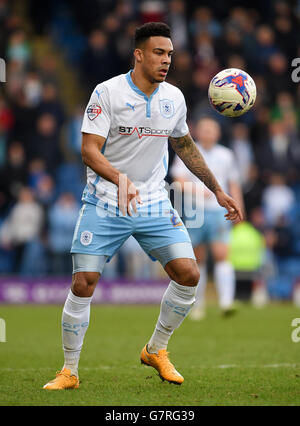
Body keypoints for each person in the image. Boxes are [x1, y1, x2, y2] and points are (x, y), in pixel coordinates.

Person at [43, 22, 242, 390]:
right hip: (105, 200)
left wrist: (216, 188)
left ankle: (156, 349)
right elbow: (88, 150)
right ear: (138, 54)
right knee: (84, 282)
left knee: (189, 274)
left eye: (169, 54)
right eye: (158, 53)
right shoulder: (108, 92)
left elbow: (184, 146)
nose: (166, 60)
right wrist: (119, 179)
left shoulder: (175, 98)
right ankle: (69, 371)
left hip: (152, 201)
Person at [171, 116, 244, 319]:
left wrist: (239, 207)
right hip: (195, 212)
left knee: (222, 254)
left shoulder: (226, 155)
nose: (208, 134)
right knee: (197, 259)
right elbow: (178, 181)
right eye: (204, 130)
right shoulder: (188, 153)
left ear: (218, 133)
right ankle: (198, 305)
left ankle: (226, 302)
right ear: (197, 132)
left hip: (218, 211)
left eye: (212, 130)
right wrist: (197, 190)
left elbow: (233, 183)